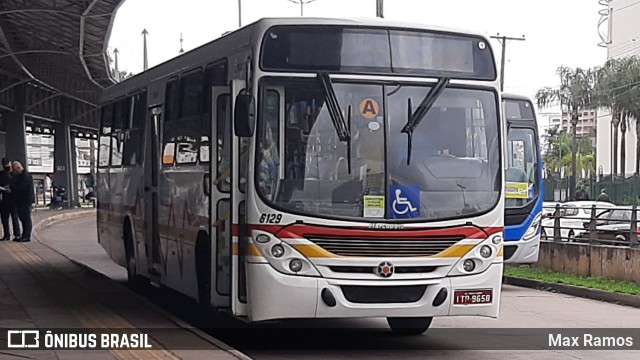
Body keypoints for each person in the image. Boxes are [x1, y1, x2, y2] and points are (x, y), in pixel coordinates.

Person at [9, 161, 34, 242]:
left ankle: (27, 236)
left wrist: (12, 188)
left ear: (19, 168)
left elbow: (22, 188)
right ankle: (24, 235)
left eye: (15, 170)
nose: (14, 172)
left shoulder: (25, 176)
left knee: (26, 218)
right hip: (20, 201)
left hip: (25, 200)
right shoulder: (20, 176)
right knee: (22, 218)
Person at [0, 158, 21, 240]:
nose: (6, 166)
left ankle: (17, 234)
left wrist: (11, 188)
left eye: (7, 165)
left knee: (14, 217)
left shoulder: (14, 174)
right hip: (4, 198)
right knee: (4, 218)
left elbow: (18, 186)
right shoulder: (1, 174)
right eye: (4, 165)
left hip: (13, 198)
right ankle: (6, 235)